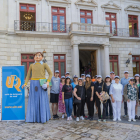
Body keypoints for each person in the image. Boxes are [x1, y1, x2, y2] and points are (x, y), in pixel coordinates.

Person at [22, 52, 52, 123]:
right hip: (33, 83)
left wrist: (48, 81)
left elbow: (50, 73)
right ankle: (32, 118)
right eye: (36, 55)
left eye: (39, 55)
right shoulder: (32, 65)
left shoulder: (44, 64)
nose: (37, 57)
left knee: (42, 99)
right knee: (33, 100)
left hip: (42, 83)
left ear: (42, 57)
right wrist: (25, 83)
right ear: (34, 57)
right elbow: (28, 75)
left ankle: (43, 118)